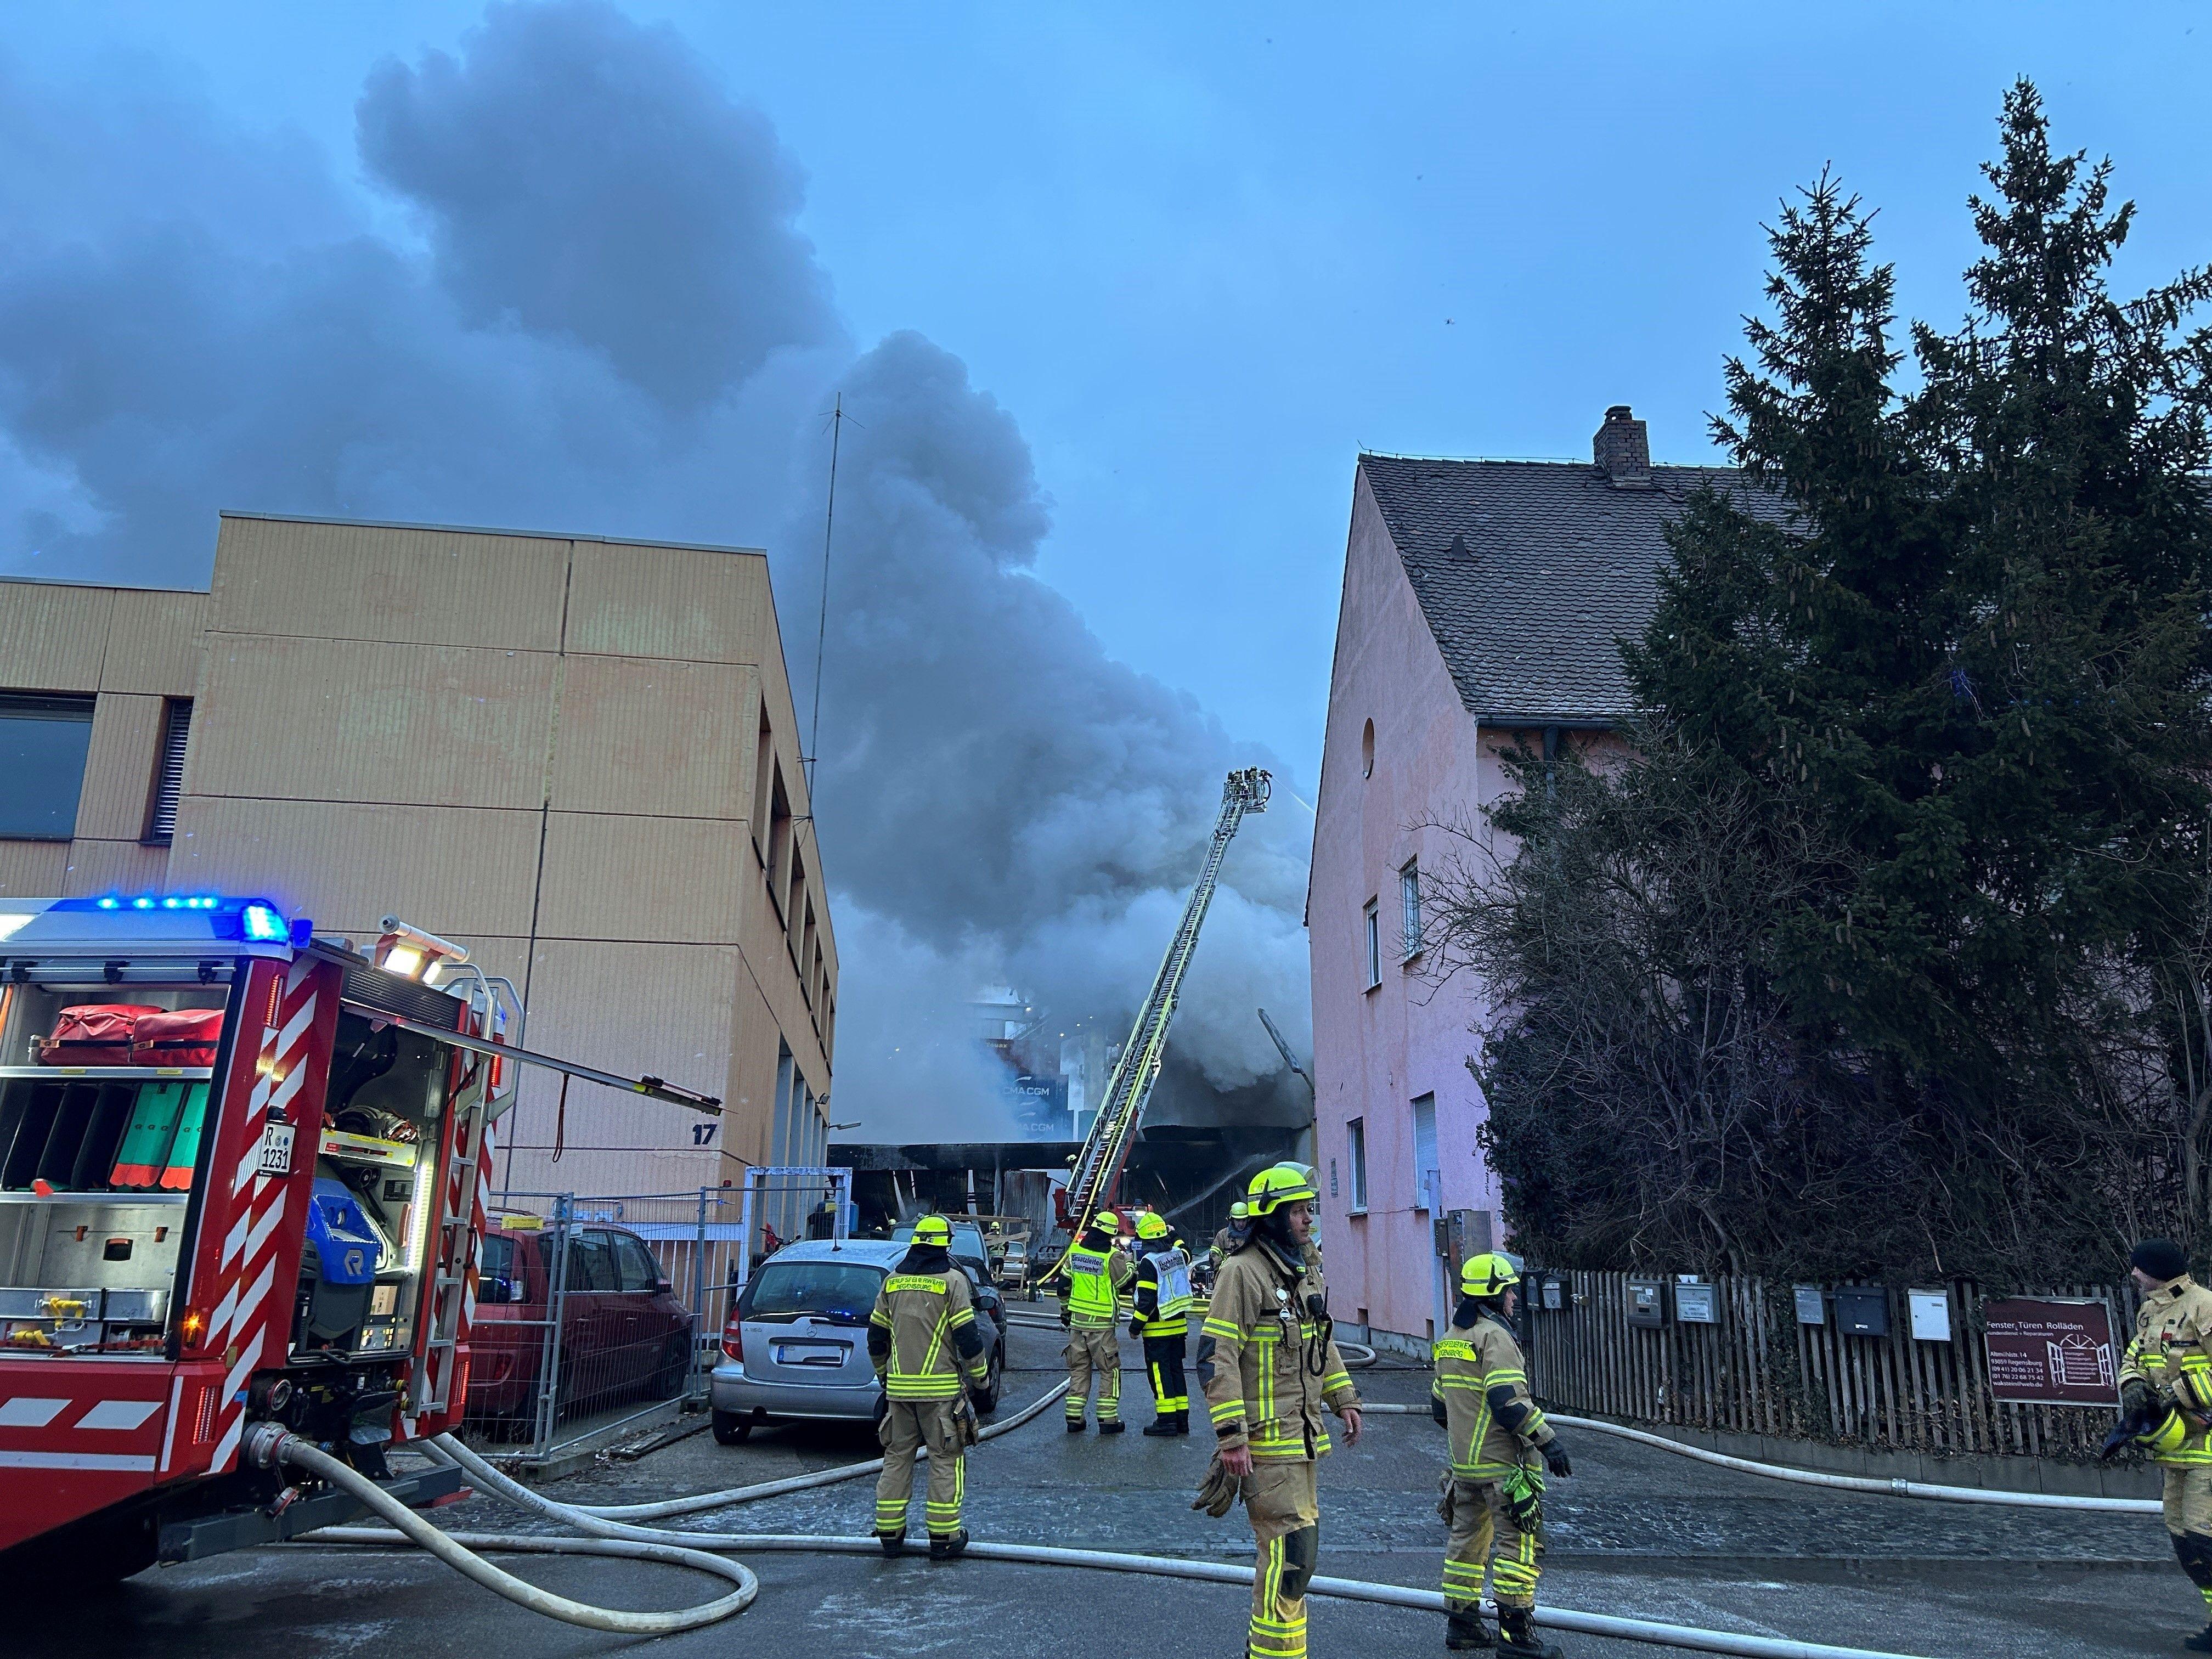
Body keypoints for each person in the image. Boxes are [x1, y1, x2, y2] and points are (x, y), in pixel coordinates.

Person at [1197, 1164, 1362, 1659]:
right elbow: (1214, 1356)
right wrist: (1232, 1437)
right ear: (1271, 1217)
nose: (1308, 1219)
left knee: (1297, 1556)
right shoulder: (1242, 1272)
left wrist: (1344, 1398)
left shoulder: (1301, 1268)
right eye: (1297, 1210)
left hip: (1302, 1439)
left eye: (1309, 1209)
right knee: (1291, 1557)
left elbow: (1320, 1343)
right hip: (1267, 1442)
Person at [1431, 1252, 1572, 1657]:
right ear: (1494, 1295)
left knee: (1465, 1547)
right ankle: (1518, 1640)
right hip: (1504, 1471)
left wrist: (1469, 1443)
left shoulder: (1449, 1338)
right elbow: (1508, 1402)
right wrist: (1549, 1442)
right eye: (1509, 1290)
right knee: (1518, 1550)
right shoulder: (1495, 1337)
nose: (1514, 1297)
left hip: (1465, 1469)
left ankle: (1463, 1627)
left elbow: (1440, 1408)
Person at [868, 1213, 992, 1559]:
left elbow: (876, 1337)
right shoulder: (953, 1282)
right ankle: (944, 1538)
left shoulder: (892, 1282)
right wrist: (981, 1378)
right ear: (946, 1245)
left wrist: (884, 1375)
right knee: (945, 1460)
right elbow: (968, 1337)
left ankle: (890, 1535)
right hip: (940, 1396)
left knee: (896, 1458)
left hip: (899, 1393)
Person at [2117, 1238, 2212, 1651]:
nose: (2133, 1274)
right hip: (2174, 1448)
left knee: (2203, 1537)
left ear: (2156, 1268)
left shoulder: (2203, 1305)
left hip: (2208, 1446)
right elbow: (2135, 1356)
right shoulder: (2150, 1310)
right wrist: (2133, 1384)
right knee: (2183, 1539)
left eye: (2138, 1268)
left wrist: (2178, 1391)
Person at [1061, 1209, 1135, 1433]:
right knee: (1109, 1370)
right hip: (1102, 1326)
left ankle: (1074, 1418)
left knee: (1079, 1370)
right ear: (1111, 1235)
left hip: (1077, 1324)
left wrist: (1065, 1311)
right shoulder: (1112, 1256)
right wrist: (1130, 1264)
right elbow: (1126, 1282)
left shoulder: (1075, 1252)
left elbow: (1063, 1286)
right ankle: (1108, 1420)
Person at [1131, 1210, 1195, 1435]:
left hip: (1157, 1330)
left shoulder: (1149, 1263)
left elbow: (1147, 1301)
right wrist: (1174, 1234)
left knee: (1160, 1374)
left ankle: (1167, 1421)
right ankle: (1182, 1421)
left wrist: (1135, 1327)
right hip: (1179, 1328)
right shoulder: (1178, 1254)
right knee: (1176, 1371)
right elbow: (1186, 1250)